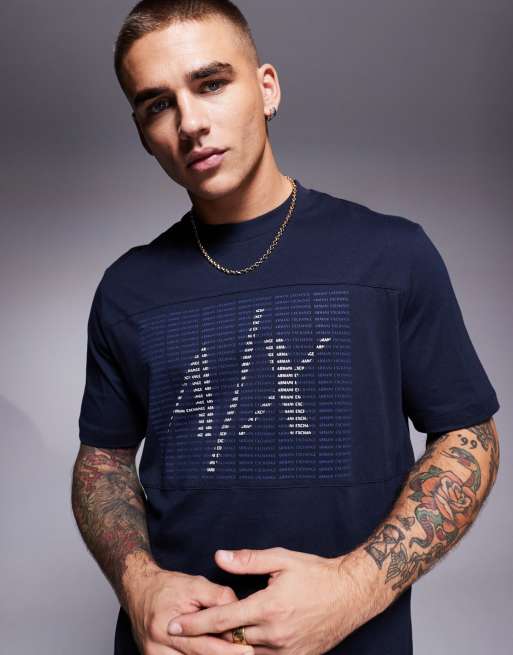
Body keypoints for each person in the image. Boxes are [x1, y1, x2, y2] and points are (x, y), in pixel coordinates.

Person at [71, 1, 501, 654]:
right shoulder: (125, 288)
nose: (190, 123)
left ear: (266, 88)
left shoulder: (391, 254)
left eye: (211, 83)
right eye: (158, 104)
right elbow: (101, 462)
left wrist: (356, 588)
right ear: (142, 132)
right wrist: (139, 584)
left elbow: (468, 435)